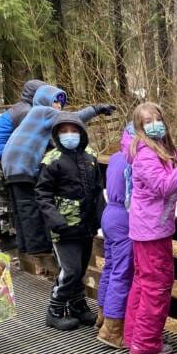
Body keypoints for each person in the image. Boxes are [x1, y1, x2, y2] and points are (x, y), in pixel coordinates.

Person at [122, 103, 177, 354]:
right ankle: (146, 343)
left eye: (157, 119)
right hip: (151, 231)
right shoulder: (146, 153)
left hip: (148, 229)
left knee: (142, 281)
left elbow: (170, 157)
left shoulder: (152, 149)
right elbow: (163, 185)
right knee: (157, 285)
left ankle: (133, 336)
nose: (154, 124)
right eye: (148, 122)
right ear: (139, 127)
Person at [2, 85, 113, 254]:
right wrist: (96, 109)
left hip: (11, 164)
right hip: (23, 165)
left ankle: (25, 248)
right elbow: (73, 118)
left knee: (21, 209)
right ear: (45, 100)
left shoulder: (34, 115)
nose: (59, 106)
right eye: (56, 101)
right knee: (31, 209)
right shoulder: (43, 111)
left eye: (62, 102)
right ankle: (39, 251)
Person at [35, 113, 105, 330]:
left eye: (74, 131)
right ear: (56, 135)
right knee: (70, 269)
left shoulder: (90, 157)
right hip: (62, 227)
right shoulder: (52, 160)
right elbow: (42, 193)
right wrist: (54, 219)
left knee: (81, 268)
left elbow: (97, 190)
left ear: (82, 133)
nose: (69, 135)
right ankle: (55, 310)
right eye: (64, 131)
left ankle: (78, 306)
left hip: (85, 224)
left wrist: (101, 217)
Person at [0, 79, 46, 241]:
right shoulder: (26, 111)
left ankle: (5, 231)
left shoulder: (27, 108)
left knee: (3, 194)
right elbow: (33, 136)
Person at [96, 124, 136, 348]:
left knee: (110, 267)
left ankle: (102, 315)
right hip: (124, 219)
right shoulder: (134, 158)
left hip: (109, 213)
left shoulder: (116, 157)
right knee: (122, 273)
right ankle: (112, 329)